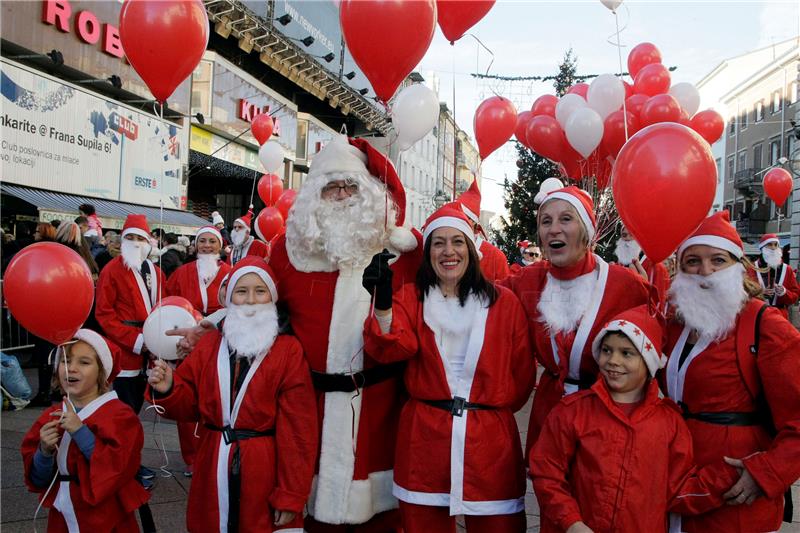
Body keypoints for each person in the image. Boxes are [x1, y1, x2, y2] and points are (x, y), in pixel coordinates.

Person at [176, 135, 421, 532]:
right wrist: (212, 323)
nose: (341, 195)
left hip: (375, 408)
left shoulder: (399, 252)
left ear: (369, 192)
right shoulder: (290, 251)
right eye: (331, 186)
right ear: (314, 195)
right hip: (307, 405)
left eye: (350, 186)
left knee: (378, 514)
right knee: (303, 503)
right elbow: (258, 302)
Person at [362, 206, 534, 532]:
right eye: (438, 243)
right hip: (425, 442)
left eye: (457, 241)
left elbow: (522, 376)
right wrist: (383, 303)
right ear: (428, 253)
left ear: (471, 248)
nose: (448, 251)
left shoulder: (504, 302)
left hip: (489, 445)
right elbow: (393, 348)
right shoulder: (413, 298)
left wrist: (486, 410)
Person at [531, 305, 739, 533]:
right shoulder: (572, 411)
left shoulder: (669, 422)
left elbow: (678, 489)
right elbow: (546, 472)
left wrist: (731, 477)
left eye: (626, 353)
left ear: (649, 361)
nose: (613, 360)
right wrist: (571, 522)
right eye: (607, 350)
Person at [148, 257, 318, 532]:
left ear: (272, 297)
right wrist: (169, 387)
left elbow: (299, 429)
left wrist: (291, 493)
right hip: (212, 461)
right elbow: (188, 405)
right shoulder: (210, 345)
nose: (251, 299)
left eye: (260, 291)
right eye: (242, 291)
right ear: (229, 298)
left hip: (263, 467)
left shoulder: (288, 351)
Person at [664, 212, 800, 532]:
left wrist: (766, 472)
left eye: (718, 260)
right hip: (681, 479)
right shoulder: (676, 322)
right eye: (693, 260)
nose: (705, 271)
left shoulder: (764, 325)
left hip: (734, 490)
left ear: (738, 266)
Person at [501, 186, 650, 454]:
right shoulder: (527, 281)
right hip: (550, 414)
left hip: (606, 416)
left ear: (586, 232)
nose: (554, 229)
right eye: (546, 221)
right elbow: (480, 295)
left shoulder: (626, 285)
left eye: (566, 219)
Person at [21, 329, 149, 532]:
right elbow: (38, 479)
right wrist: (44, 452)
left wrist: (80, 431)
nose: (71, 369)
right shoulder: (51, 416)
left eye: (84, 362)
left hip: (106, 517)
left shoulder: (120, 416)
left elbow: (118, 468)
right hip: (62, 517)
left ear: (102, 372)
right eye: (65, 361)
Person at [166, 226, 231, 475]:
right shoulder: (181, 273)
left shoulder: (230, 273)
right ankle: (191, 457)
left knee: (216, 395)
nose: (206, 246)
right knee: (188, 396)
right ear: (195, 246)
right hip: (188, 343)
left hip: (217, 341)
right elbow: (168, 303)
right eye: (202, 241)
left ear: (219, 246)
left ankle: (214, 450)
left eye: (211, 242)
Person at [95, 214, 166, 416]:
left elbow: (164, 307)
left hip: (151, 348)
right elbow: (104, 314)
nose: (135, 243)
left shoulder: (156, 272)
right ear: (123, 240)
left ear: (148, 241)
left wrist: (157, 340)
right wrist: (136, 341)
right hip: (125, 348)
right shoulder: (111, 270)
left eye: (140, 238)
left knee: (143, 404)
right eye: (130, 238)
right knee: (123, 408)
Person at [453, 181, 510, 281]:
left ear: (474, 221)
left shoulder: (495, 257)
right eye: (454, 217)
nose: (458, 222)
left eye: (463, 218)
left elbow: (504, 294)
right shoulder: (445, 252)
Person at [615, 225, 670, 310]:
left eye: (632, 235)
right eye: (624, 235)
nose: (627, 239)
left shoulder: (656, 268)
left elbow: (658, 308)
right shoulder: (618, 266)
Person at [749, 233, 799, 319]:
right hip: (758, 315)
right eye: (769, 244)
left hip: (780, 316)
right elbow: (743, 294)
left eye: (776, 245)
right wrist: (760, 294)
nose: (773, 248)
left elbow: (795, 296)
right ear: (762, 248)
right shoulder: (752, 268)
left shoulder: (787, 269)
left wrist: (784, 292)